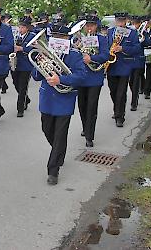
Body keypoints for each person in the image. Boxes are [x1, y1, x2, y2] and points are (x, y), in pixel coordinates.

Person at [32, 22, 88, 185]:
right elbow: (36, 76)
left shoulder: (74, 55)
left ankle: (53, 170)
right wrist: (39, 61)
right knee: (47, 129)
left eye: (60, 38)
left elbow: (81, 77)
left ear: (67, 39)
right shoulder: (46, 53)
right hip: (47, 98)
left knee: (60, 134)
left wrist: (60, 79)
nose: (56, 40)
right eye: (54, 37)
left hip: (64, 99)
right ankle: (59, 152)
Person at [76, 14, 109, 147]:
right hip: (81, 77)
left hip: (95, 77)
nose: (89, 28)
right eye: (87, 25)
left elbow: (105, 55)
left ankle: (90, 136)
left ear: (96, 26)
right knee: (82, 105)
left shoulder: (102, 39)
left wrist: (92, 59)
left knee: (91, 106)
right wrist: (77, 49)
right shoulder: (78, 39)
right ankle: (85, 127)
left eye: (92, 25)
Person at [106, 12, 140, 128]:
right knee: (113, 91)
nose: (120, 23)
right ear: (115, 21)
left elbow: (137, 48)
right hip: (111, 66)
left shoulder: (132, 33)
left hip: (125, 65)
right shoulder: (110, 32)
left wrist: (122, 48)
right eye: (118, 21)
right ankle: (117, 109)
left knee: (121, 92)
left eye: (122, 20)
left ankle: (120, 116)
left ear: (126, 21)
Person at [12, 17, 35, 117]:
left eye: (22, 27)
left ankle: (20, 108)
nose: (20, 29)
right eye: (19, 27)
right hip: (16, 63)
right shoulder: (15, 35)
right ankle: (26, 98)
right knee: (15, 83)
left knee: (22, 86)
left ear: (27, 28)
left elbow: (35, 49)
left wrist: (22, 48)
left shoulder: (32, 36)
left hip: (26, 65)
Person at [128, 16, 146, 112]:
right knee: (131, 82)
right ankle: (135, 95)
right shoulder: (129, 32)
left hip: (138, 59)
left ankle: (134, 102)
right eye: (133, 23)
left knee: (135, 82)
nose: (134, 25)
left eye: (136, 23)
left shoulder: (143, 32)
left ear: (139, 24)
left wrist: (143, 40)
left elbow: (146, 42)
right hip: (128, 61)